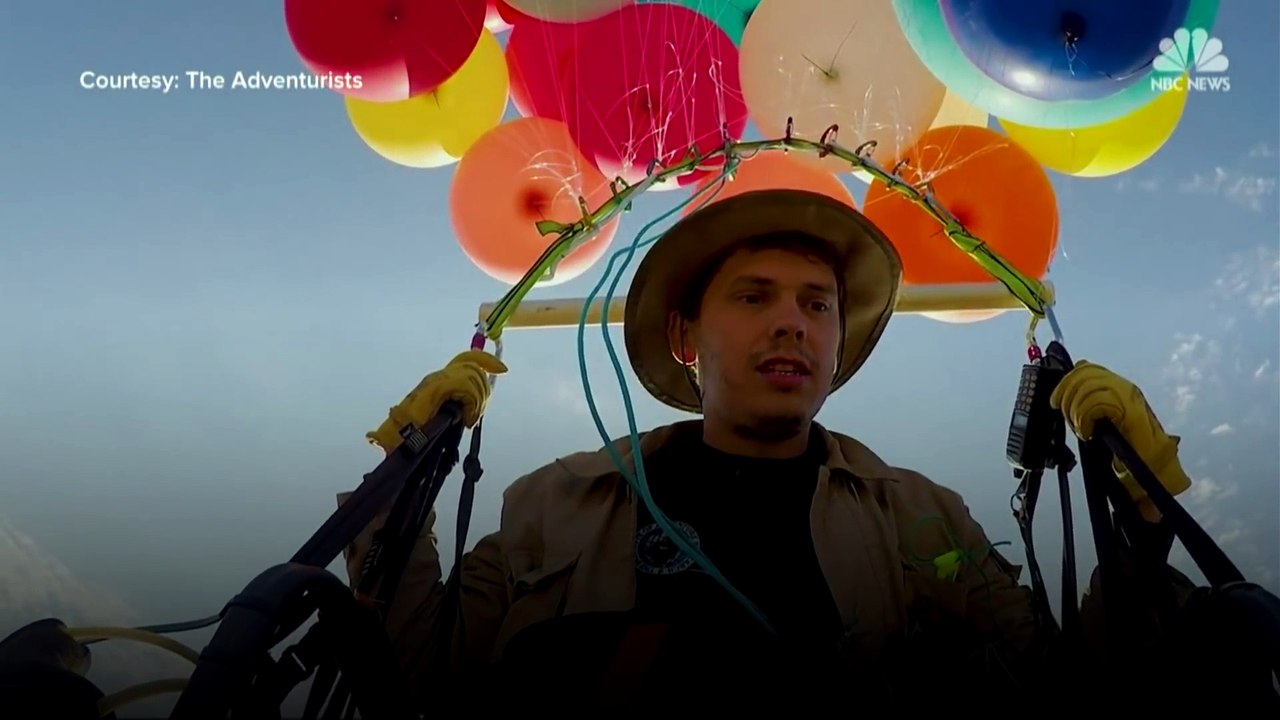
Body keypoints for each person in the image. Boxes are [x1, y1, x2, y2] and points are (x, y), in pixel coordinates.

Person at [344, 189, 1196, 712]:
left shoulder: (921, 514)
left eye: (817, 305)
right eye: (754, 297)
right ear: (685, 335)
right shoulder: (554, 505)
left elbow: (1062, 685)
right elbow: (416, 674)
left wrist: (1145, 515)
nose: (792, 321)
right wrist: (401, 471)